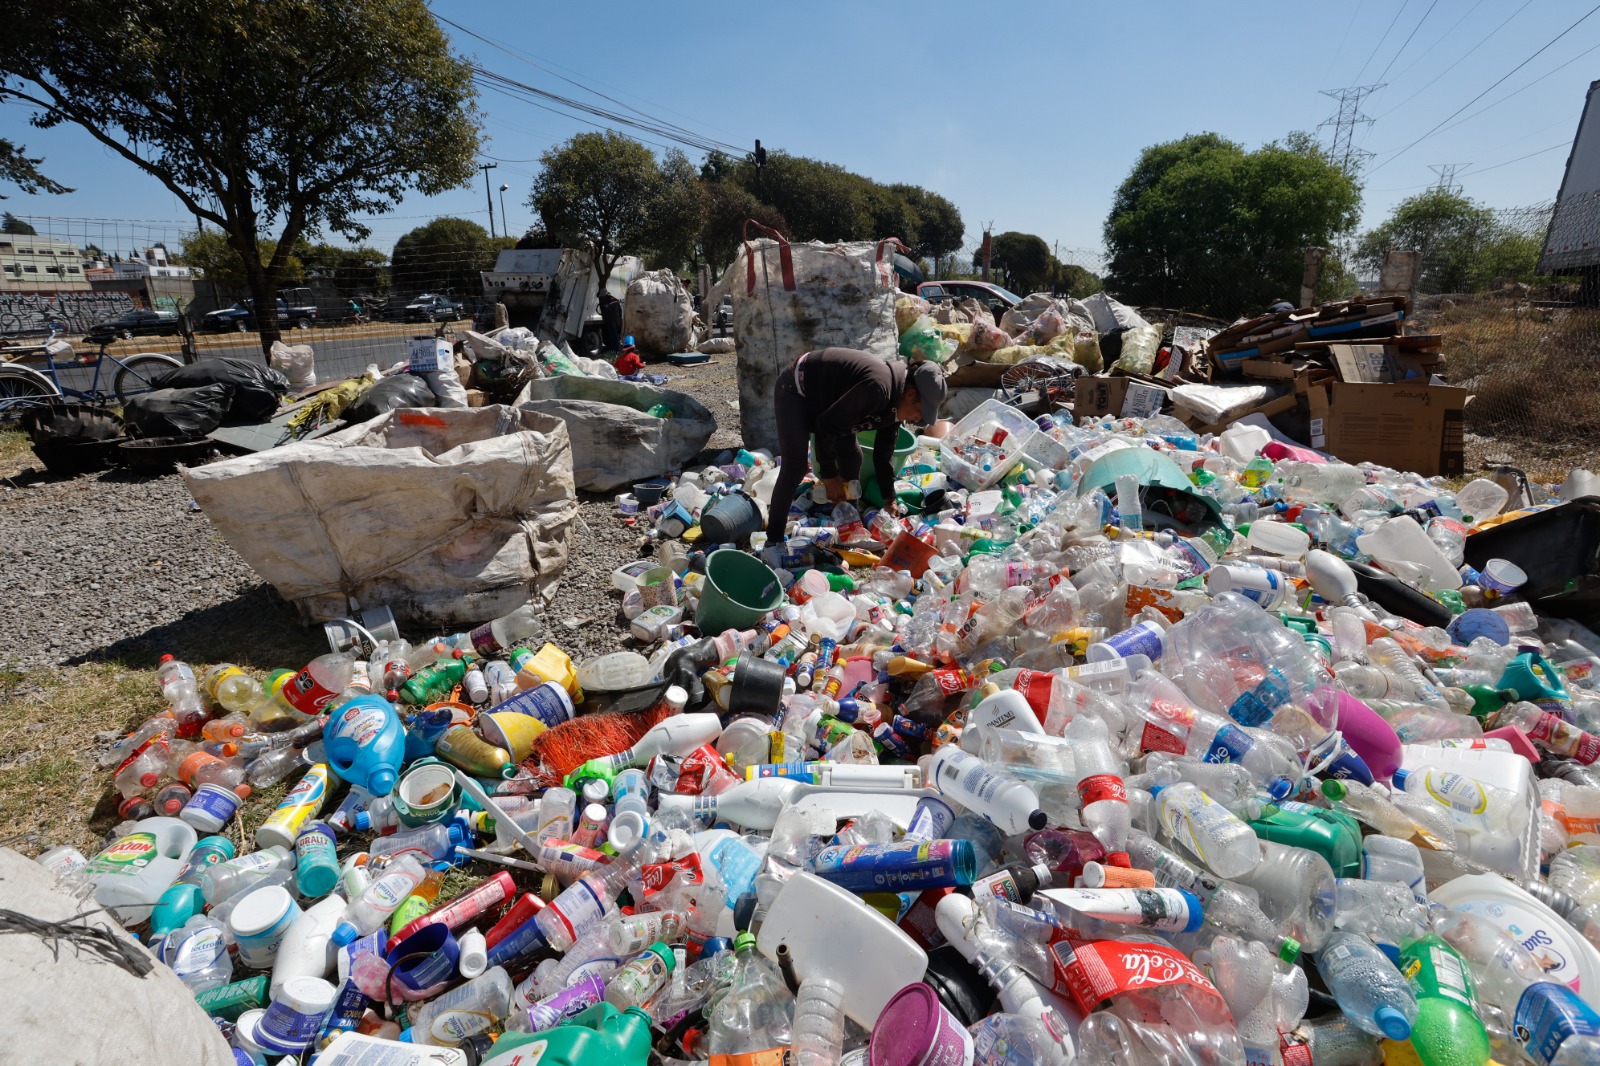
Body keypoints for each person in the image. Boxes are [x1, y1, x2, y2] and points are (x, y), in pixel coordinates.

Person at [765, 348, 947, 542]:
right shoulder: (878, 389)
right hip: (798, 388)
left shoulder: (896, 401)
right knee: (795, 466)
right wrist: (830, 475)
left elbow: (883, 452)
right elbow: (826, 426)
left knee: (853, 457)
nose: (917, 419)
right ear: (910, 394)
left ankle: (851, 532)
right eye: (920, 412)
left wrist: (889, 497)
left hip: (833, 406)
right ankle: (774, 541)